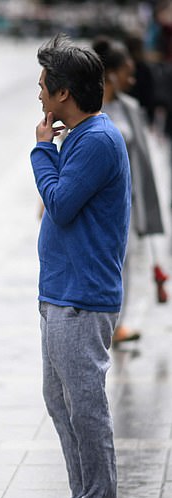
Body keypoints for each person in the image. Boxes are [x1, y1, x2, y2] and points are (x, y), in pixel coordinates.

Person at [27, 34, 131, 498]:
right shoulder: (84, 136)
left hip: (82, 296)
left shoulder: (97, 141)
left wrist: (42, 150)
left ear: (64, 93)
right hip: (61, 291)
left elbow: (61, 204)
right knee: (60, 400)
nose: (40, 98)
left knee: (85, 404)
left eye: (44, 88)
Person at [93, 36, 166, 345]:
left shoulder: (131, 107)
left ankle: (117, 324)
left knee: (124, 262)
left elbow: (141, 160)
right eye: (127, 72)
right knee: (100, 264)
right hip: (95, 202)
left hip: (127, 200)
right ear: (111, 74)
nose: (133, 79)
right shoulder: (88, 108)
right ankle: (97, 322)